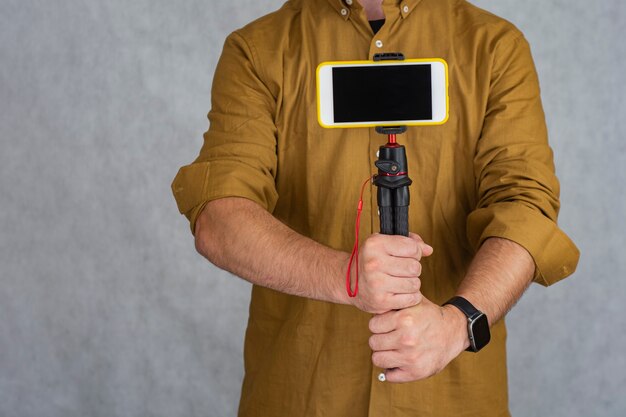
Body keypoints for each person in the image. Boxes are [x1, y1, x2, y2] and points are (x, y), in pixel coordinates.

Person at [171, 0, 580, 415]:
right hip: (303, 396)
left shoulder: (493, 47)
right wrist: (345, 276)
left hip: (453, 399)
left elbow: (525, 207)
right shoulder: (260, 49)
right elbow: (219, 214)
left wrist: (457, 325)